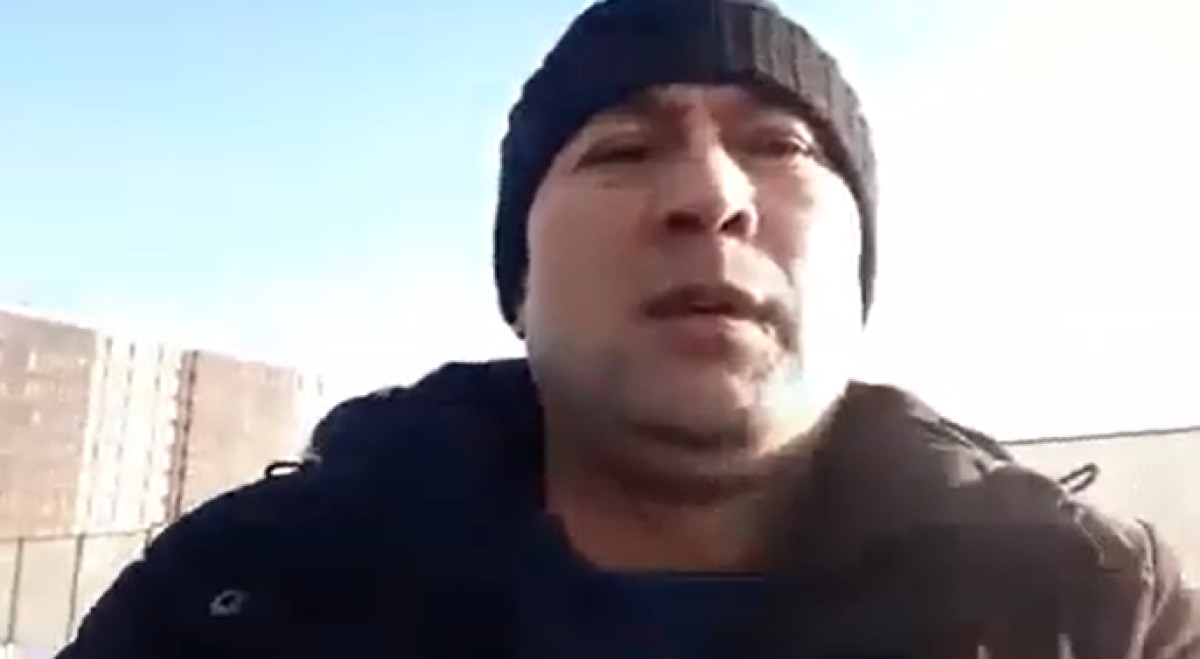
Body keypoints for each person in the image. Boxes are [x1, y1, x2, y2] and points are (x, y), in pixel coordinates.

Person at [59, 0, 1198, 656]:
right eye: (622, 150)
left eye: (782, 147)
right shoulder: (235, 602)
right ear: (518, 284)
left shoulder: (1096, 608)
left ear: (857, 270)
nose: (709, 194)